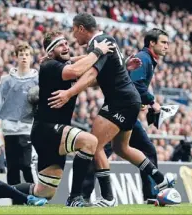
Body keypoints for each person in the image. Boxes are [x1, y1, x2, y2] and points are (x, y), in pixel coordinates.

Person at [48, 13, 176, 207]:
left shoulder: (98, 42)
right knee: (121, 149)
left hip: (120, 101)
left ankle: (107, 198)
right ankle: (161, 180)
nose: (74, 36)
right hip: (129, 101)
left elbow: (91, 73)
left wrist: (69, 93)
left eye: (74, 31)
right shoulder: (105, 40)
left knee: (94, 145)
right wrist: (68, 59)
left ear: (82, 28)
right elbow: (103, 67)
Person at [12, 31, 115, 207]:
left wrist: (120, 64)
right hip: (47, 128)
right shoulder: (50, 65)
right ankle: (75, 197)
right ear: (50, 52)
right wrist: (98, 51)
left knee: (43, 192)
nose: (66, 46)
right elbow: (77, 69)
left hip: (51, 132)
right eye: (61, 44)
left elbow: (92, 77)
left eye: (67, 43)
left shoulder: (62, 65)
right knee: (89, 141)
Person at [81, 28, 170, 204]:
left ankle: (152, 192)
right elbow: (136, 85)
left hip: (126, 108)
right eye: (164, 42)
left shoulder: (149, 60)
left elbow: (130, 83)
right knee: (99, 148)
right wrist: (152, 102)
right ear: (152, 43)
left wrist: (143, 101)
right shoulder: (144, 59)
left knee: (115, 149)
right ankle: (86, 195)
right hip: (122, 109)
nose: (167, 46)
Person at [0, 43, 38, 187]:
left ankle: (36, 198)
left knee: (28, 166)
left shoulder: (37, 79)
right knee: (12, 168)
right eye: (21, 55)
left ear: (31, 58)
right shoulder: (6, 80)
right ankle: (16, 202)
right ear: (16, 57)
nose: (24, 58)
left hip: (28, 129)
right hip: (9, 130)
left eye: (27, 55)